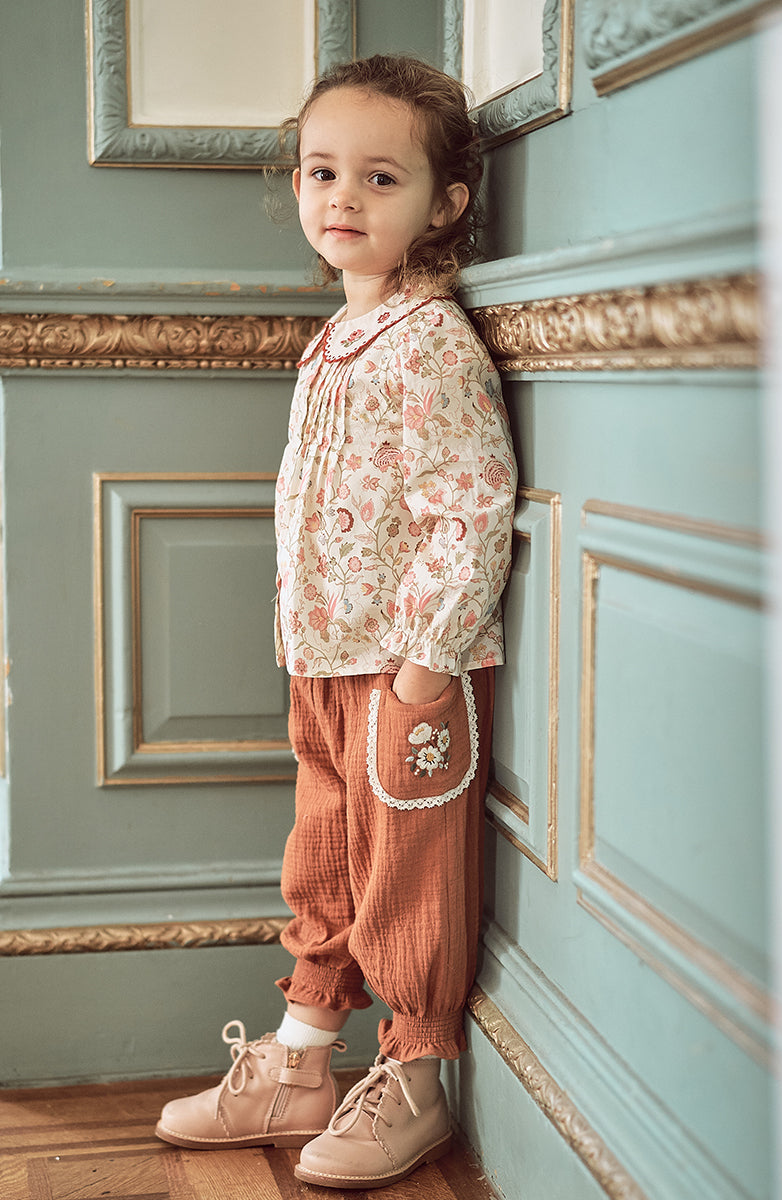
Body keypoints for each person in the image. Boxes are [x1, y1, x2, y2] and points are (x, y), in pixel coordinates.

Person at [155, 54, 517, 1190]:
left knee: (406, 874)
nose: (342, 198)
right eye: (321, 172)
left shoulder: (429, 342)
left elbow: (471, 505)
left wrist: (424, 664)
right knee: (323, 854)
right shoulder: (340, 337)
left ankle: (414, 1075)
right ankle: (304, 1055)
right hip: (320, 653)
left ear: (444, 204)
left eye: (379, 177)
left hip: (404, 670)